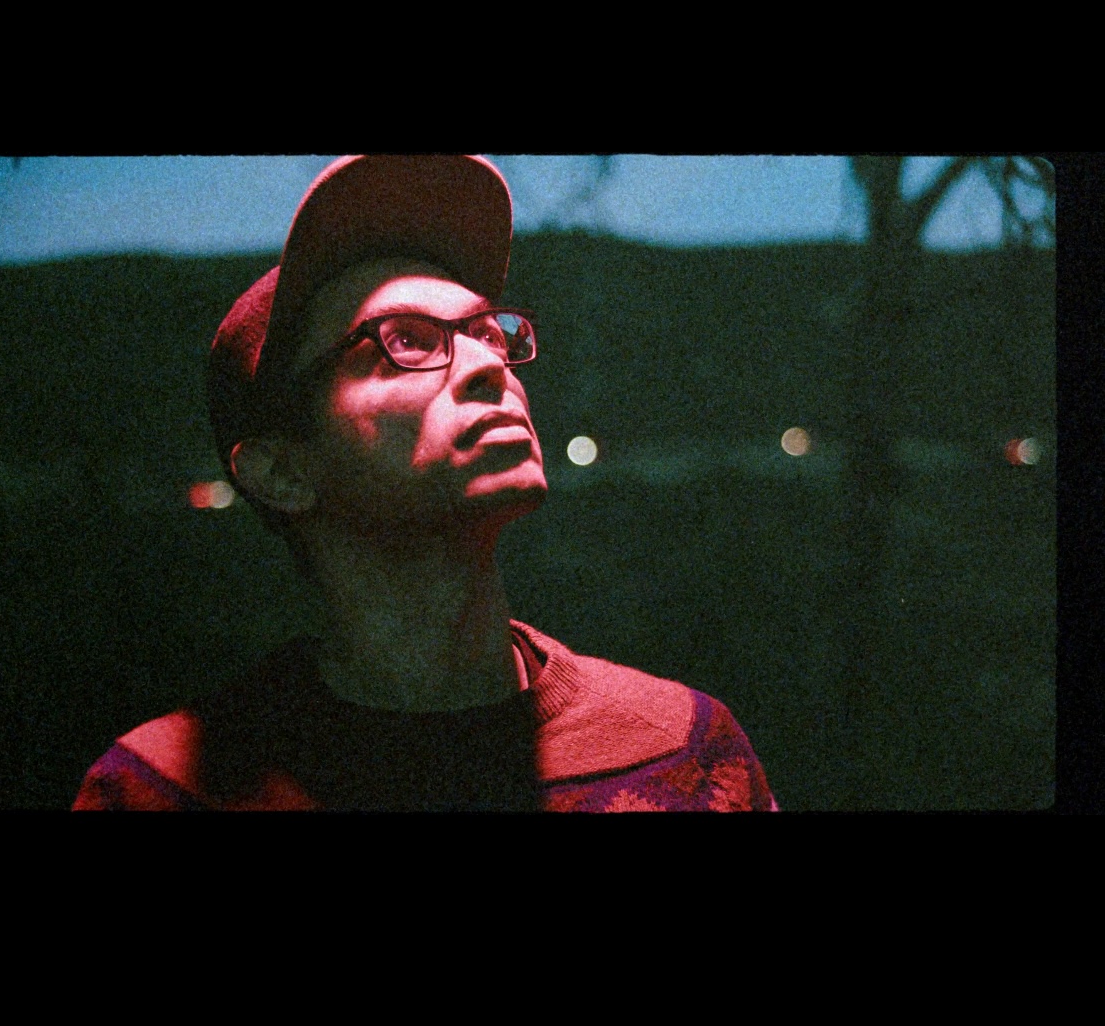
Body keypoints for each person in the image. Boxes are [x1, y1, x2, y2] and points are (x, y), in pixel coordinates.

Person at [73, 154, 778, 811]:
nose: (488, 364)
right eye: (405, 340)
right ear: (282, 471)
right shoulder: (157, 788)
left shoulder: (684, 750)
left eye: (489, 332)